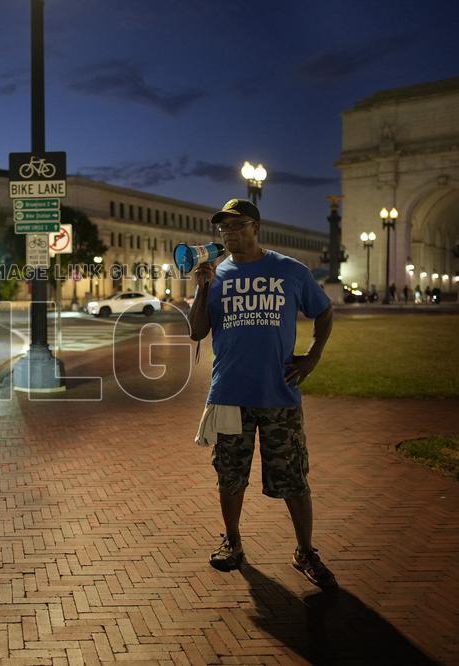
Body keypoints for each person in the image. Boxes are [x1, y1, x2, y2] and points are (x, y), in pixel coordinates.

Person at [189, 198, 336, 589]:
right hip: (229, 392)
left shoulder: (289, 270)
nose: (230, 234)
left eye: (237, 226)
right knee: (229, 474)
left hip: (279, 393)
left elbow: (323, 311)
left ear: (256, 227)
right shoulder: (216, 275)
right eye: (224, 229)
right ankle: (232, 542)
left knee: (293, 477)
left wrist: (313, 357)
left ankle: (305, 551)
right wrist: (202, 288)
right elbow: (196, 331)